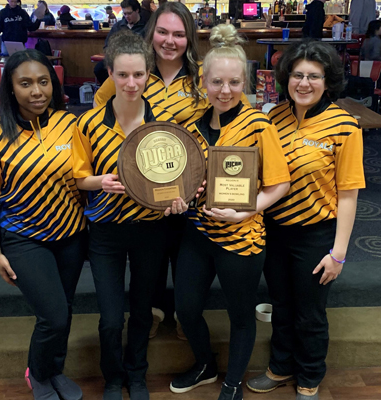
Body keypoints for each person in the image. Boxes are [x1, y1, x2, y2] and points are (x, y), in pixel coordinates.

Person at [94, 1, 251, 339]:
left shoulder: (200, 77)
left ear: (189, 38)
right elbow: (102, 116)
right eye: (162, 31)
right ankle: (151, 310)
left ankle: (184, 312)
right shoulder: (133, 71)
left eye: (179, 34)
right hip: (139, 188)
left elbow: (238, 114)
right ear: (151, 33)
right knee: (148, 257)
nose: (169, 40)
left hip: (191, 189)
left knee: (184, 254)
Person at [169, 23, 290, 400]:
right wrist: (176, 199)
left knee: (241, 315)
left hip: (242, 237)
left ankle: (233, 381)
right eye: (217, 82)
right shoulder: (189, 125)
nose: (225, 91)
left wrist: (247, 212)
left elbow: (279, 184)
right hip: (198, 234)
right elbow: (181, 180)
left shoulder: (259, 124)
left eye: (234, 83)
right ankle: (205, 364)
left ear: (245, 83)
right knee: (186, 309)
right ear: (203, 81)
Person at [246, 40, 365, 400]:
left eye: (314, 76)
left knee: (310, 313)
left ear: (327, 81)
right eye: (297, 74)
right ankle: (280, 367)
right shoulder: (273, 118)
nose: (303, 83)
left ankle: (310, 376)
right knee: (281, 304)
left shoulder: (345, 126)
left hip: (317, 235)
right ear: (287, 77)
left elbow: (348, 194)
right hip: (275, 230)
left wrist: (339, 253)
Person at [0, 49, 87, 400]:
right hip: (24, 238)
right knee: (52, 316)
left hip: (70, 234)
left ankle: (55, 369)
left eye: (43, 82)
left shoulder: (70, 124)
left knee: (65, 310)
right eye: (25, 84)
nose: (36, 91)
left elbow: (84, 179)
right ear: (10, 88)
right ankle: (37, 373)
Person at [73, 30, 178, 400]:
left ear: (149, 74)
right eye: (123, 75)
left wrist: (177, 199)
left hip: (151, 229)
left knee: (143, 312)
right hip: (105, 233)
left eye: (138, 75)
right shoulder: (88, 124)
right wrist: (98, 181)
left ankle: (137, 375)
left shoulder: (164, 125)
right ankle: (113, 378)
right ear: (110, 75)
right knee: (111, 319)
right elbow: (78, 176)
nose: (131, 83)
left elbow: (177, 176)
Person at [93, 0, 148, 85]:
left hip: (138, 60)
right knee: (99, 69)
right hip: (118, 59)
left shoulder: (146, 27)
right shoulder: (118, 26)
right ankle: (114, 90)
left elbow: (149, 48)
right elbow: (107, 46)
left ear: (137, 10)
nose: (127, 17)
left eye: (129, 13)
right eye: (124, 14)